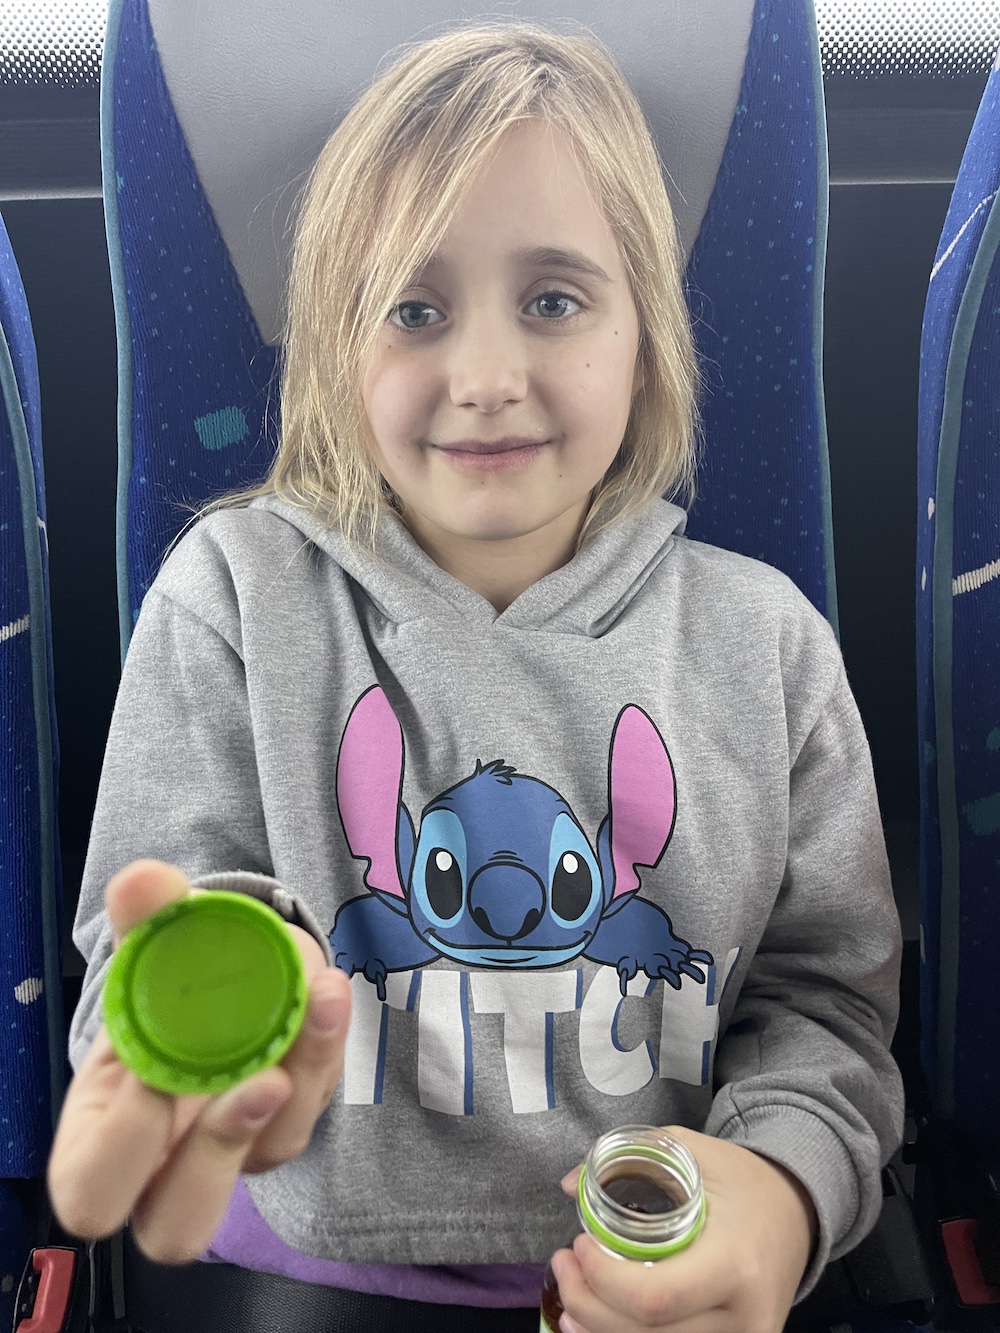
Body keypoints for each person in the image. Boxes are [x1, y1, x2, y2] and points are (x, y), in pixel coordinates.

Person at [48, 21, 904, 1333]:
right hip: (292, 1270)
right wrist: (226, 1011)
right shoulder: (233, 595)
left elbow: (823, 1005)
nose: (489, 377)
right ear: (338, 350)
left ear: (644, 334)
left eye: (554, 301)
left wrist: (782, 1191)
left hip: (652, 1270)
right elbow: (174, 914)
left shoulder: (766, 642)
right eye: (415, 310)